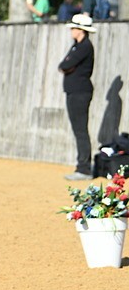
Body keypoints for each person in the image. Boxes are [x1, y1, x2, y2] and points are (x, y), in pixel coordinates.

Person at [58, 13, 97, 180]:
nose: (71, 31)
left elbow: (67, 64)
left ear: (81, 30)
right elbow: (63, 65)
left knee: (81, 129)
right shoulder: (76, 45)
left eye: (74, 28)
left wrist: (68, 66)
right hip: (73, 91)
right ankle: (82, 165)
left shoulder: (84, 46)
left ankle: (84, 168)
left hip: (80, 92)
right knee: (77, 129)